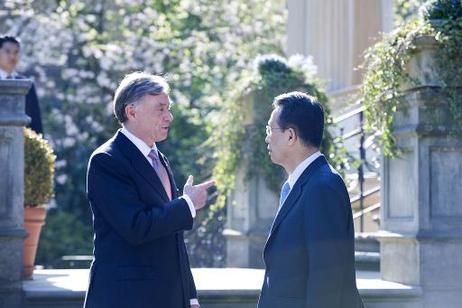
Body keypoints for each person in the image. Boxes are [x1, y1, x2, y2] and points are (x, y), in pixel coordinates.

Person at [84, 72, 214, 308]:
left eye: (169, 108)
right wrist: (186, 204)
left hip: (166, 296)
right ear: (131, 112)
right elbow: (136, 227)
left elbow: (173, 237)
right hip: (126, 297)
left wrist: (190, 295)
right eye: (160, 109)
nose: (169, 117)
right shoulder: (106, 160)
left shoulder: (159, 158)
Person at [258, 91, 363, 308]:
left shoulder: (323, 186)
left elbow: (327, 279)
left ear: (290, 136)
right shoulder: (297, 184)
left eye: (270, 129)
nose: (267, 136)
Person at [0, 35, 43, 134]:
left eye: (16, 52)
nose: (12, 56)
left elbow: (35, 120)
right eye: (7, 51)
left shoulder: (27, 85)